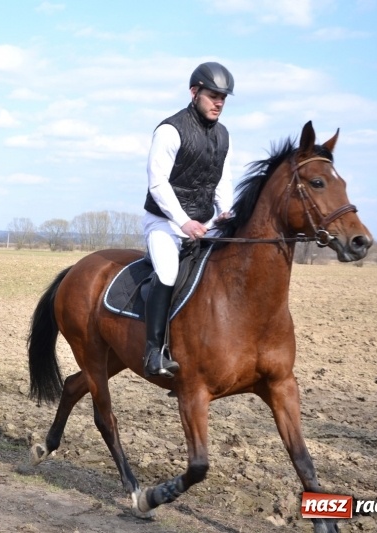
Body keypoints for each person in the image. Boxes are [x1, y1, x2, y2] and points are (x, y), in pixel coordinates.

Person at [141, 61, 235, 378]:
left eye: (223, 97)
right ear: (194, 92)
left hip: (203, 226)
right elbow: (158, 183)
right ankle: (154, 352)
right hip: (164, 224)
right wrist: (183, 222)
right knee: (167, 273)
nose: (219, 102)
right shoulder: (169, 130)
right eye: (213, 95)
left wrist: (226, 211)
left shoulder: (223, 136)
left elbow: (222, 180)